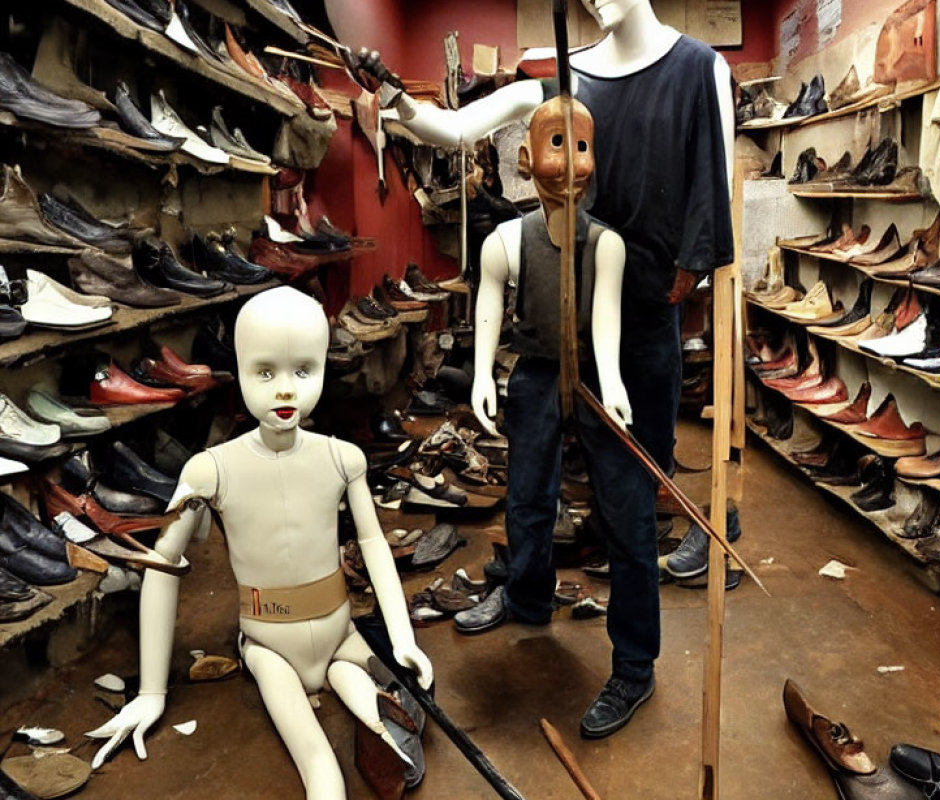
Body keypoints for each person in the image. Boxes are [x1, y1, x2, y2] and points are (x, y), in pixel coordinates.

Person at [387, 0, 734, 738]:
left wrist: (700, 273)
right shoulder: (559, 87)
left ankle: (634, 667)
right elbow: (451, 129)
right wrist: (392, 102)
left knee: (629, 509)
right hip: (549, 334)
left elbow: (714, 199)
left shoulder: (700, 71)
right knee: (529, 489)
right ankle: (526, 595)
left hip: (636, 329)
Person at [85, 286, 433, 800]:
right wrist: (151, 692)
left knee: (358, 682)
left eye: (303, 371)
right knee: (319, 769)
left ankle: (378, 722)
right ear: (239, 369)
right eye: (265, 373)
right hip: (270, 644)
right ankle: (371, 731)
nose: (285, 392)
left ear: (323, 366)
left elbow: (373, 544)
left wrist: (403, 639)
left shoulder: (343, 459)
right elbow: (163, 566)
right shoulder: (210, 471)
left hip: (341, 633)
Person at [454, 94, 630, 640]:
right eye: (559, 144)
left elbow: (605, 321)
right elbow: (488, 305)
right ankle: (527, 596)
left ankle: (624, 613)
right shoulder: (505, 241)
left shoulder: (607, 245)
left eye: (582, 147)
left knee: (615, 493)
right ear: (527, 160)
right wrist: (484, 373)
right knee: (529, 493)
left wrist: (614, 382)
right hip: (534, 376)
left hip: (593, 379)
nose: (574, 163)